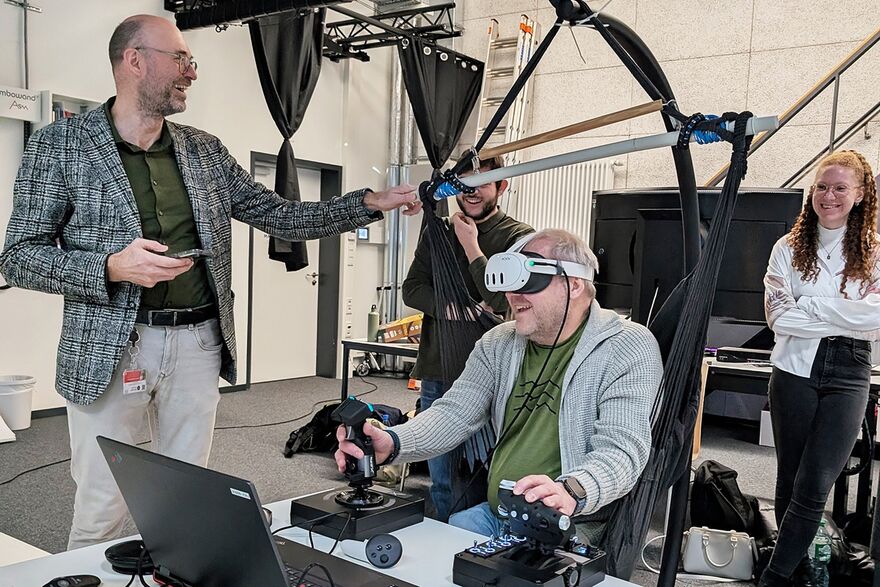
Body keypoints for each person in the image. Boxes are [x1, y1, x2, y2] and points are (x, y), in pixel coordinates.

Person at [0, 14, 420, 550]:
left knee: (187, 498)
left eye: (190, 60)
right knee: (103, 504)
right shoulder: (62, 145)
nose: (191, 72)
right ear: (134, 61)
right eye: (180, 59)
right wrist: (109, 267)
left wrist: (365, 204)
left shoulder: (204, 150)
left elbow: (283, 217)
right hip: (111, 348)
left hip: (198, 344)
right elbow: (19, 258)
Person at [338, 228, 662, 543]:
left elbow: (621, 450)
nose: (512, 295)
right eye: (509, 283)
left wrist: (573, 490)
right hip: (497, 514)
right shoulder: (499, 342)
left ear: (574, 284)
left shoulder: (626, 346)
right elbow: (454, 414)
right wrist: (393, 443)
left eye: (528, 282)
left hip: (567, 525)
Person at [760, 150, 880, 586]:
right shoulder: (787, 249)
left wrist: (809, 305)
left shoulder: (873, 250)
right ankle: (790, 567)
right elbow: (778, 317)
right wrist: (845, 310)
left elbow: (877, 316)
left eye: (840, 188)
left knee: (814, 484)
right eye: (822, 187)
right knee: (790, 477)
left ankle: (774, 577)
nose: (829, 196)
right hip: (794, 369)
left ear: (861, 194)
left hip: (850, 372)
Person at [401, 155, 533, 522]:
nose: (470, 194)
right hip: (439, 368)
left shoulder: (518, 237)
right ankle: (448, 543)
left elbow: (501, 301)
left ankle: (485, 550)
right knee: (442, 477)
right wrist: (451, 308)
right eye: (462, 186)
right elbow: (412, 289)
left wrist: (472, 246)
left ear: (502, 186)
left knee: (489, 472)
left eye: (481, 185)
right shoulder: (437, 231)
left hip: (495, 375)